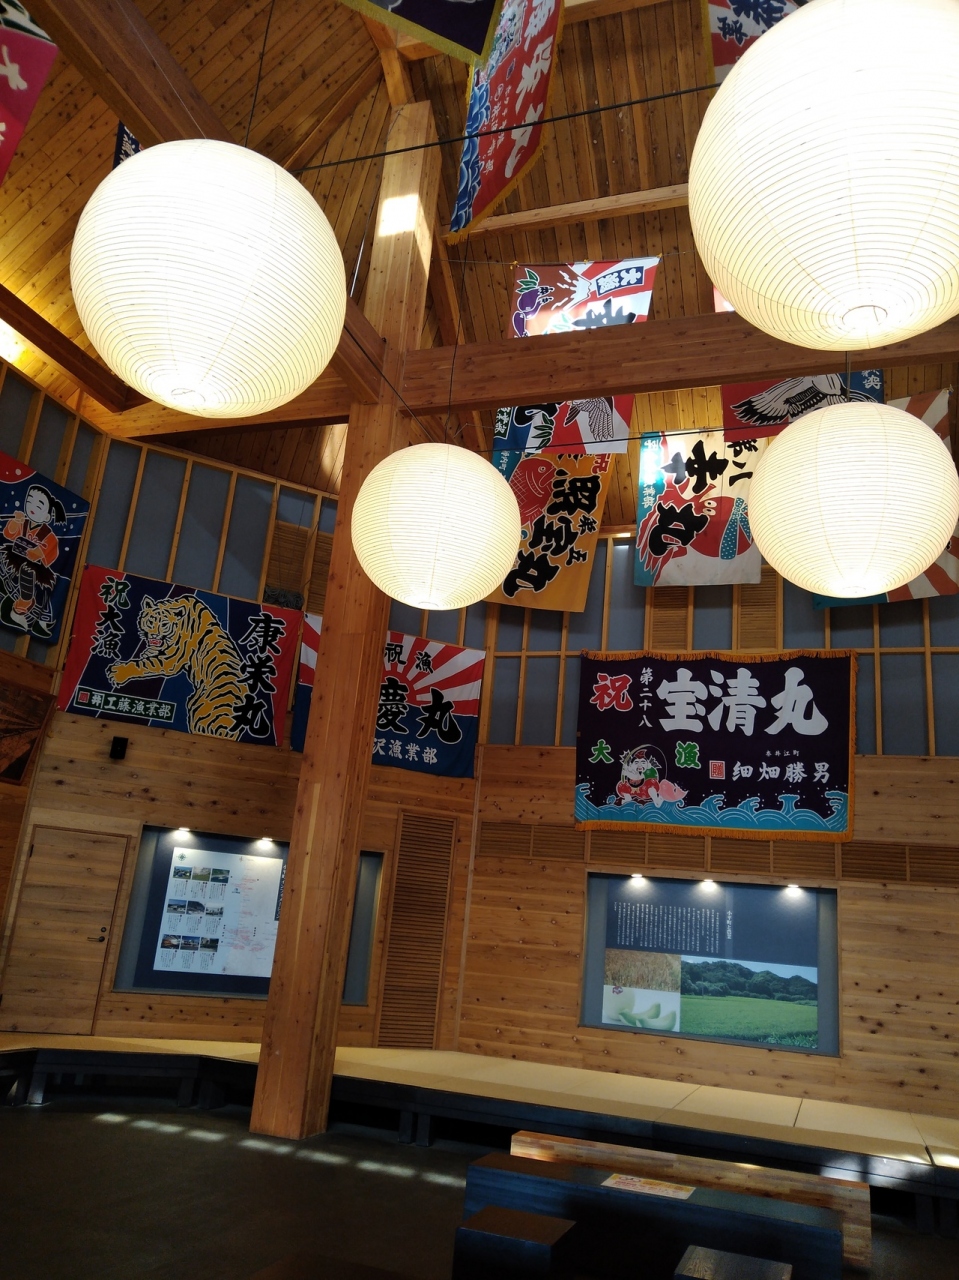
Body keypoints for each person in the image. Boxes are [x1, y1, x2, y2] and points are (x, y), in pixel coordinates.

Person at [0, 483, 64, 637]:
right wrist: (16, 521)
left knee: (27, 572)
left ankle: (25, 601)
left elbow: (51, 553)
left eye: (39, 505)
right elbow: (8, 534)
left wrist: (39, 552)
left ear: (47, 517)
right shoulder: (22, 521)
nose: (32, 506)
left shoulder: (49, 535)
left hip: (34, 565)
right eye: (29, 501)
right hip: (14, 555)